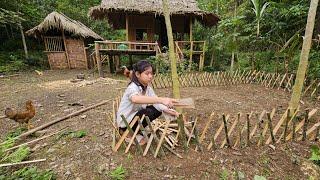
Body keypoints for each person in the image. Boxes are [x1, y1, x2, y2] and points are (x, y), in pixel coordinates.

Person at [116, 60, 179, 144]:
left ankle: (135, 130)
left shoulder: (147, 88)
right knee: (147, 112)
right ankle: (126, 132)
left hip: (134, 117)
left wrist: (168, 110)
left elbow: (156, 102)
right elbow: (135, 99)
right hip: (125, 121)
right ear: (138, 74)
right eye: (147, 73)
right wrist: (161, 99)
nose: (150, 76)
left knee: (157, 110)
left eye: (151, 73)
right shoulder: (132, 87)